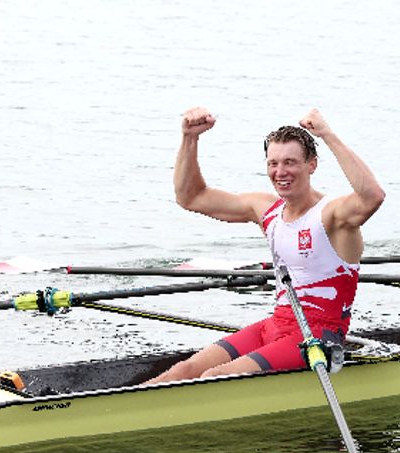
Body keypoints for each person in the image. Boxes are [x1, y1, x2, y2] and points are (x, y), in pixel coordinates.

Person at [146, 107, 385, 384]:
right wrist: (189, 138)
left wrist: (327, 134)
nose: (280, 172)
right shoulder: (266, 209)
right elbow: (190, 197)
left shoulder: (333, 216)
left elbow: (372, 196)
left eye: (290, 162)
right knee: (184, 371)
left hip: (316, 335)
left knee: (213, 377)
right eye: (273, 163)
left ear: (312, 165)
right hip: (275, 324)